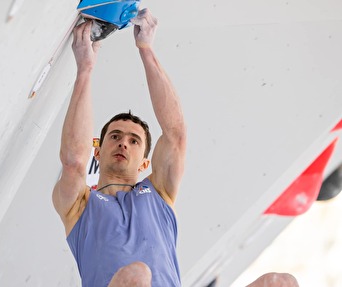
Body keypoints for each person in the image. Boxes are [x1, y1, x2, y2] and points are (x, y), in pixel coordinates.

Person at [52, 8, 299, 287]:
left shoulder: (159, 192)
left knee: (279, 282)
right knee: (137, 275)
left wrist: (145, 49)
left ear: (146, 164)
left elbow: (175, 134)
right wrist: (85, 69)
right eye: (115, 136)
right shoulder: (79, 204)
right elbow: (73, 160)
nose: (123, 142)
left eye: (134, 141)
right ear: (97, 152)